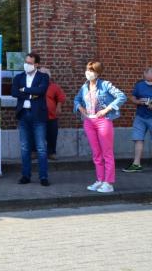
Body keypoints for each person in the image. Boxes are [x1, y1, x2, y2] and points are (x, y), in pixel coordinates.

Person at [74, 61, 126, 193]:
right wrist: (81, 109)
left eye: (91, 70)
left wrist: (106, 110)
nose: (88, 72)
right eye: (87, 69)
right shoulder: (84, 87)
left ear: (97, 73)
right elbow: (76, 100)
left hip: (104, 121)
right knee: (96, 154)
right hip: (89, 122)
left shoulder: (105, 84)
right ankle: (100, 180)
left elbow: (122, 96)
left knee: (107, 153)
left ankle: (108, 183)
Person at [11, 53, 50, 186]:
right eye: (26, 62)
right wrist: (30, 95)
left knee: (41, 148)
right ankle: (25, 175)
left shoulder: (43, 77)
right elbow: (14, 92)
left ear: (37, 64)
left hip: (38, 116)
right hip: (23, 115)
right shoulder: (19, 77)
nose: (27, 65)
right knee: (24, 147)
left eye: (30, 63)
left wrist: (25, 90)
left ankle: (43, 176)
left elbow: (41, 91)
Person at [122, 67, 152, 173]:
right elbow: (132, 97)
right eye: (146, 72)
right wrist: (138, 102)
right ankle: (136, 164)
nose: (144, 74)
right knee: (138, 139)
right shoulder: (139, 85)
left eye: (146, 72)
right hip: (140, 117)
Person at [39, 67, 66, 160]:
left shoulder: (54, 86)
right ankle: (35, 152)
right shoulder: (35, 86)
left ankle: (51, 153)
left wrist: (59, 106)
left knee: (52, 135)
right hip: (38, 116)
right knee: (37, 135)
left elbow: (61, 97)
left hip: (51, 116)